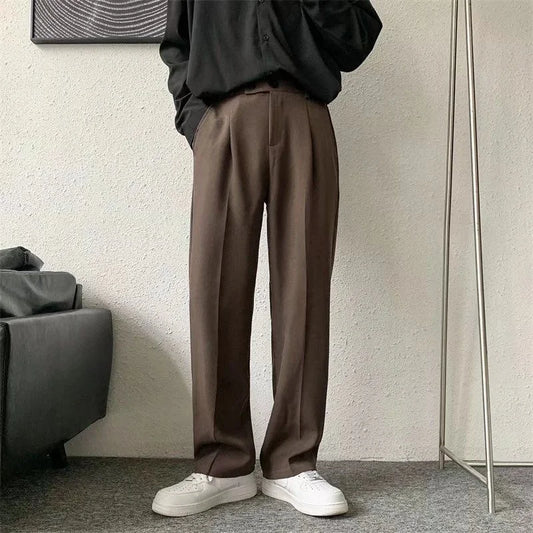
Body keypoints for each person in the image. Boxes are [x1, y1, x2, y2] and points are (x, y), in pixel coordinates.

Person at [153, 0, 383, 518]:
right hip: (223, 120)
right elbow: (177, 43)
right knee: (215, 290)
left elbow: (357, 39)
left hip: (305, 113)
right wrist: (196, 121)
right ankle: (222, 463)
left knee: (304, 292)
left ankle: (292, 463)